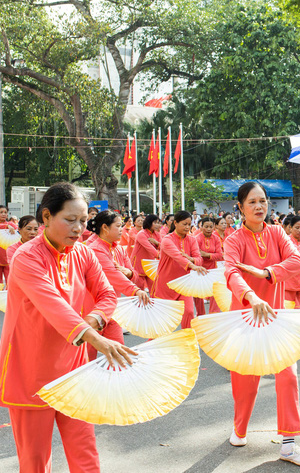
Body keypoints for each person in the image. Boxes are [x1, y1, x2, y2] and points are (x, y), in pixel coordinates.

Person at [0, 182, 135, 472]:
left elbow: (107, 294)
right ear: (46, 217)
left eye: (84, 221)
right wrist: (97, 340)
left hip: (74, 368)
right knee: (35, 461)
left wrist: (94, 320)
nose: (78, 228)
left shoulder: (83, 254)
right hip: (30, 371)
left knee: (84, 453)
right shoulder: (26, 257)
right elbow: (53, 307)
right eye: (70, 220)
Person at [223, 181, 300, 466]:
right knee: (245, 383)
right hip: (245, 319)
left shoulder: (277, 233)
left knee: (288, 375)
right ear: (240, 207)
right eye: (252, 202)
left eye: (262, 201)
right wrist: (250, 295)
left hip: (275, 319)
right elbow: (231, 273)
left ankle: (288, 444)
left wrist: (266, 273)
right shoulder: (234, 240)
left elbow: (296, 262)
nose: (259, 206)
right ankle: (239, 429)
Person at [86, 210, 150, 359]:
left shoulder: (119, 249)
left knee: (118, 352)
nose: (122, 229)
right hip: (93, 309)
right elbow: (113, 275)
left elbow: (133, 274)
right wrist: (135, 290)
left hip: (113, 307)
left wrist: (128, 273)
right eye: (118, 226)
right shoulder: (95, 250)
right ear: (105, 228)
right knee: (88, 357)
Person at [151, 211, 207, 329]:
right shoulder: (167, 240)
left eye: (189, 224)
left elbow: (199, 259)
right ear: (175, 223)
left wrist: (191, 259)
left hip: (184, 284)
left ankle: (187, 341)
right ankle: (152, 345)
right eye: (184, 224)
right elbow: (177, 256)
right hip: (166, 285)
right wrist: (192, 265)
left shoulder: (192, 240)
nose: (187, 227)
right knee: (162, 322)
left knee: (189, 312)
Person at [194, 216, 224, 316]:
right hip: (199, 269)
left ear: (214, 227)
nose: (208, 229)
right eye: (206, 226)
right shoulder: (197, 239)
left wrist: (206, 255)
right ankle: (200, 315)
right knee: (198, 293)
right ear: (201, 227)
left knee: (215, 292)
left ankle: (214, 315)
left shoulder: (216, 238)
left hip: (212, 270)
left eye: (211, 227)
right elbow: (196, 254)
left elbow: (220, 255)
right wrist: (211, 255)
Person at [0, 205, 19, 284]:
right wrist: (7, 226)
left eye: (5, 212)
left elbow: (18, 229)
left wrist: (12, 227)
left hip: (8, 257)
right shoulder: (7, 225)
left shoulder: (11, 224)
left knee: (9, 281)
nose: (3, 214)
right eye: (1, 212)